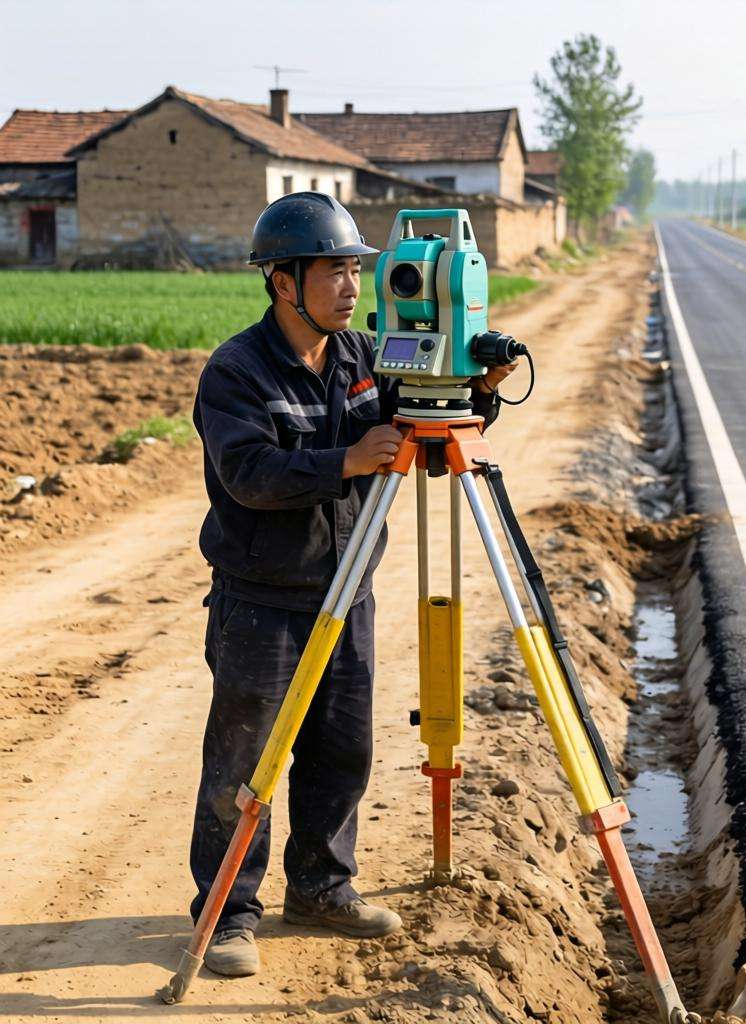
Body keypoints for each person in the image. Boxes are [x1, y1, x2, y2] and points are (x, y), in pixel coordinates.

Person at [189, 192, 517, 977]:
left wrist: (479, 391)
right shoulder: (236, 371)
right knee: (243, 766)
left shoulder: (363, 356)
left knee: (342, 753)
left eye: (355, 270)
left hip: (346, 590)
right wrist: (344, 459)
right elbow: (248, 477)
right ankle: (229, 913)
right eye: (334, 269)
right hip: (263, 600)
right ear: (282, 281)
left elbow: (427, 443)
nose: (350, 284)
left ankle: (321, 888)